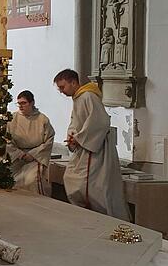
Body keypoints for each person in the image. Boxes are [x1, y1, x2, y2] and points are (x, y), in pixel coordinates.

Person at [54, 69, 129, 220]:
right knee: (72, 179)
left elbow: (100, 121)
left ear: (73, 82)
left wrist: (79, 138)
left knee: (92, 186)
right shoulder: (78, 98)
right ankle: (86, 215)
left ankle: (105, 218)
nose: (61, 91)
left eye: (62, 87)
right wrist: (72, 137)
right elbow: (76, 121)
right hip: (84, 146)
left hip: (95, 149)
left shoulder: (88, 96)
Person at [7, 90, 55, 195]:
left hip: (35, 157)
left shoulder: (42, 119)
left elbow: (49, 140)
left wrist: (32, 154)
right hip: (18, 157)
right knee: (14, 181)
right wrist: (19, 154)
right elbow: (7, 139)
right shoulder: (12, 118)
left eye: (24, 103)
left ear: (32, 103)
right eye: (19, 103)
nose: (20, 106)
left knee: (32, 180)